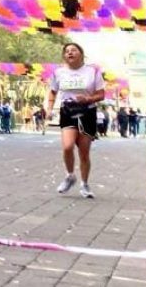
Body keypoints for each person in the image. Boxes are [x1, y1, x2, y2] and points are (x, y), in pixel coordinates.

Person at [45, 42, 105, 199]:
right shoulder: (59, 73)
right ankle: (70, 176)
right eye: (66, 51)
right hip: (68, 111)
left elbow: (101, 94)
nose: (69, 53)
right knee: (67, 146)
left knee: (84, 152)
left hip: (87, 112)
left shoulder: (92, 71)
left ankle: (85, 185)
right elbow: (52, 92)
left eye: (73, 50)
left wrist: (87, 98)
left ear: (81, 54)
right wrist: (49, 109)